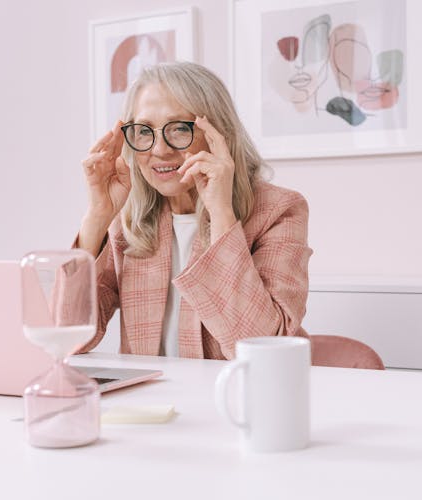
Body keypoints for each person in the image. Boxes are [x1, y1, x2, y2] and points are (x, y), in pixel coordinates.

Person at [75, 61, 312, 360]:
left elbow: (263, 351)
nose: (160, 150)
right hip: (153, 404)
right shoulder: (129, 220)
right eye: (145, 131)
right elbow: (68, 339)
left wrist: (221, 213)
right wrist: (97, 216)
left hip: (240, 400)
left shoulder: (279, 211)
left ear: (219, 135)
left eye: (178, 129)